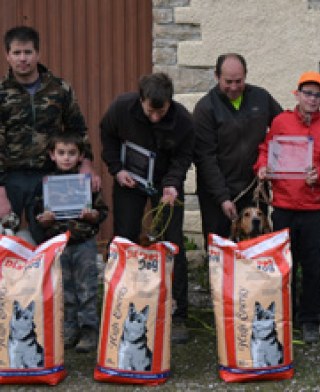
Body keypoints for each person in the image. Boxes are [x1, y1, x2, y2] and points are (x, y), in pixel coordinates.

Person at [255, 71, 320, 343]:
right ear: (296, 94)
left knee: (311, 266)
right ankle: (284, 315)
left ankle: (309, 319)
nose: (313, 99)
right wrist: (262, 167)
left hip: (314, 209)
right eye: (308, 93)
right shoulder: (281, 121)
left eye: (318, 95)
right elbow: (265, 149)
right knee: (284, 265)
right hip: (283, 205)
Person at [100, 72, 195, 344]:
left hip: (166, 185)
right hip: (130, 180)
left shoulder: (184, 121)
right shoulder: (121, 108)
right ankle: (122, 302)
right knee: (125, 240)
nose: (156, 117)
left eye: (161, 111)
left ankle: (177, 314)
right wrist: (116, 170)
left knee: (173, 243)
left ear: (170, 102)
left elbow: (184, 156)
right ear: (140, 100)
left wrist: (173, 184)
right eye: (151, 111)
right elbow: (107, 135)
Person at [0, 26, 100, 243]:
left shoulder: (59, 89)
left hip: (50, 177)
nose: (23, 58)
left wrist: (86, 165)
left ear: (38, 54)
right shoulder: (1, 93)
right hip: (10, 179)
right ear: (7, 55)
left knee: (50, 242)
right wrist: (0, 193)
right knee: (5, 241)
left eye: (28, 52)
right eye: (17, 53)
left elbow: (78, 129)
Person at [192, 53, 282, 245]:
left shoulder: (261, 98)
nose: (234, 87)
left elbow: (283, 128)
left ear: (246, 75)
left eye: (239, 81)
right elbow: (205, 158)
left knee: (256, 247)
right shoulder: (205, 108)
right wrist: (223, 198)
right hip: (217, 193)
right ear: (216, 77)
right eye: (228, 81)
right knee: (220, 248)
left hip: (253, 188)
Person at [33, 132, 108, 353]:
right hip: (58, 244)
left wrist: (92, 215)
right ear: (52, 155)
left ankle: (89, 331)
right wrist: (43, 220)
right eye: (61, 153)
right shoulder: (44, 184)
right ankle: (68, 329)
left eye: (72, 153)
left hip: (84, 242)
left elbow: (102, 211)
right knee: (64, 288)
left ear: (80, 156)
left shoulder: (88, 184)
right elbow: (37, 213)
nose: (66, 158)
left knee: (87, 286)